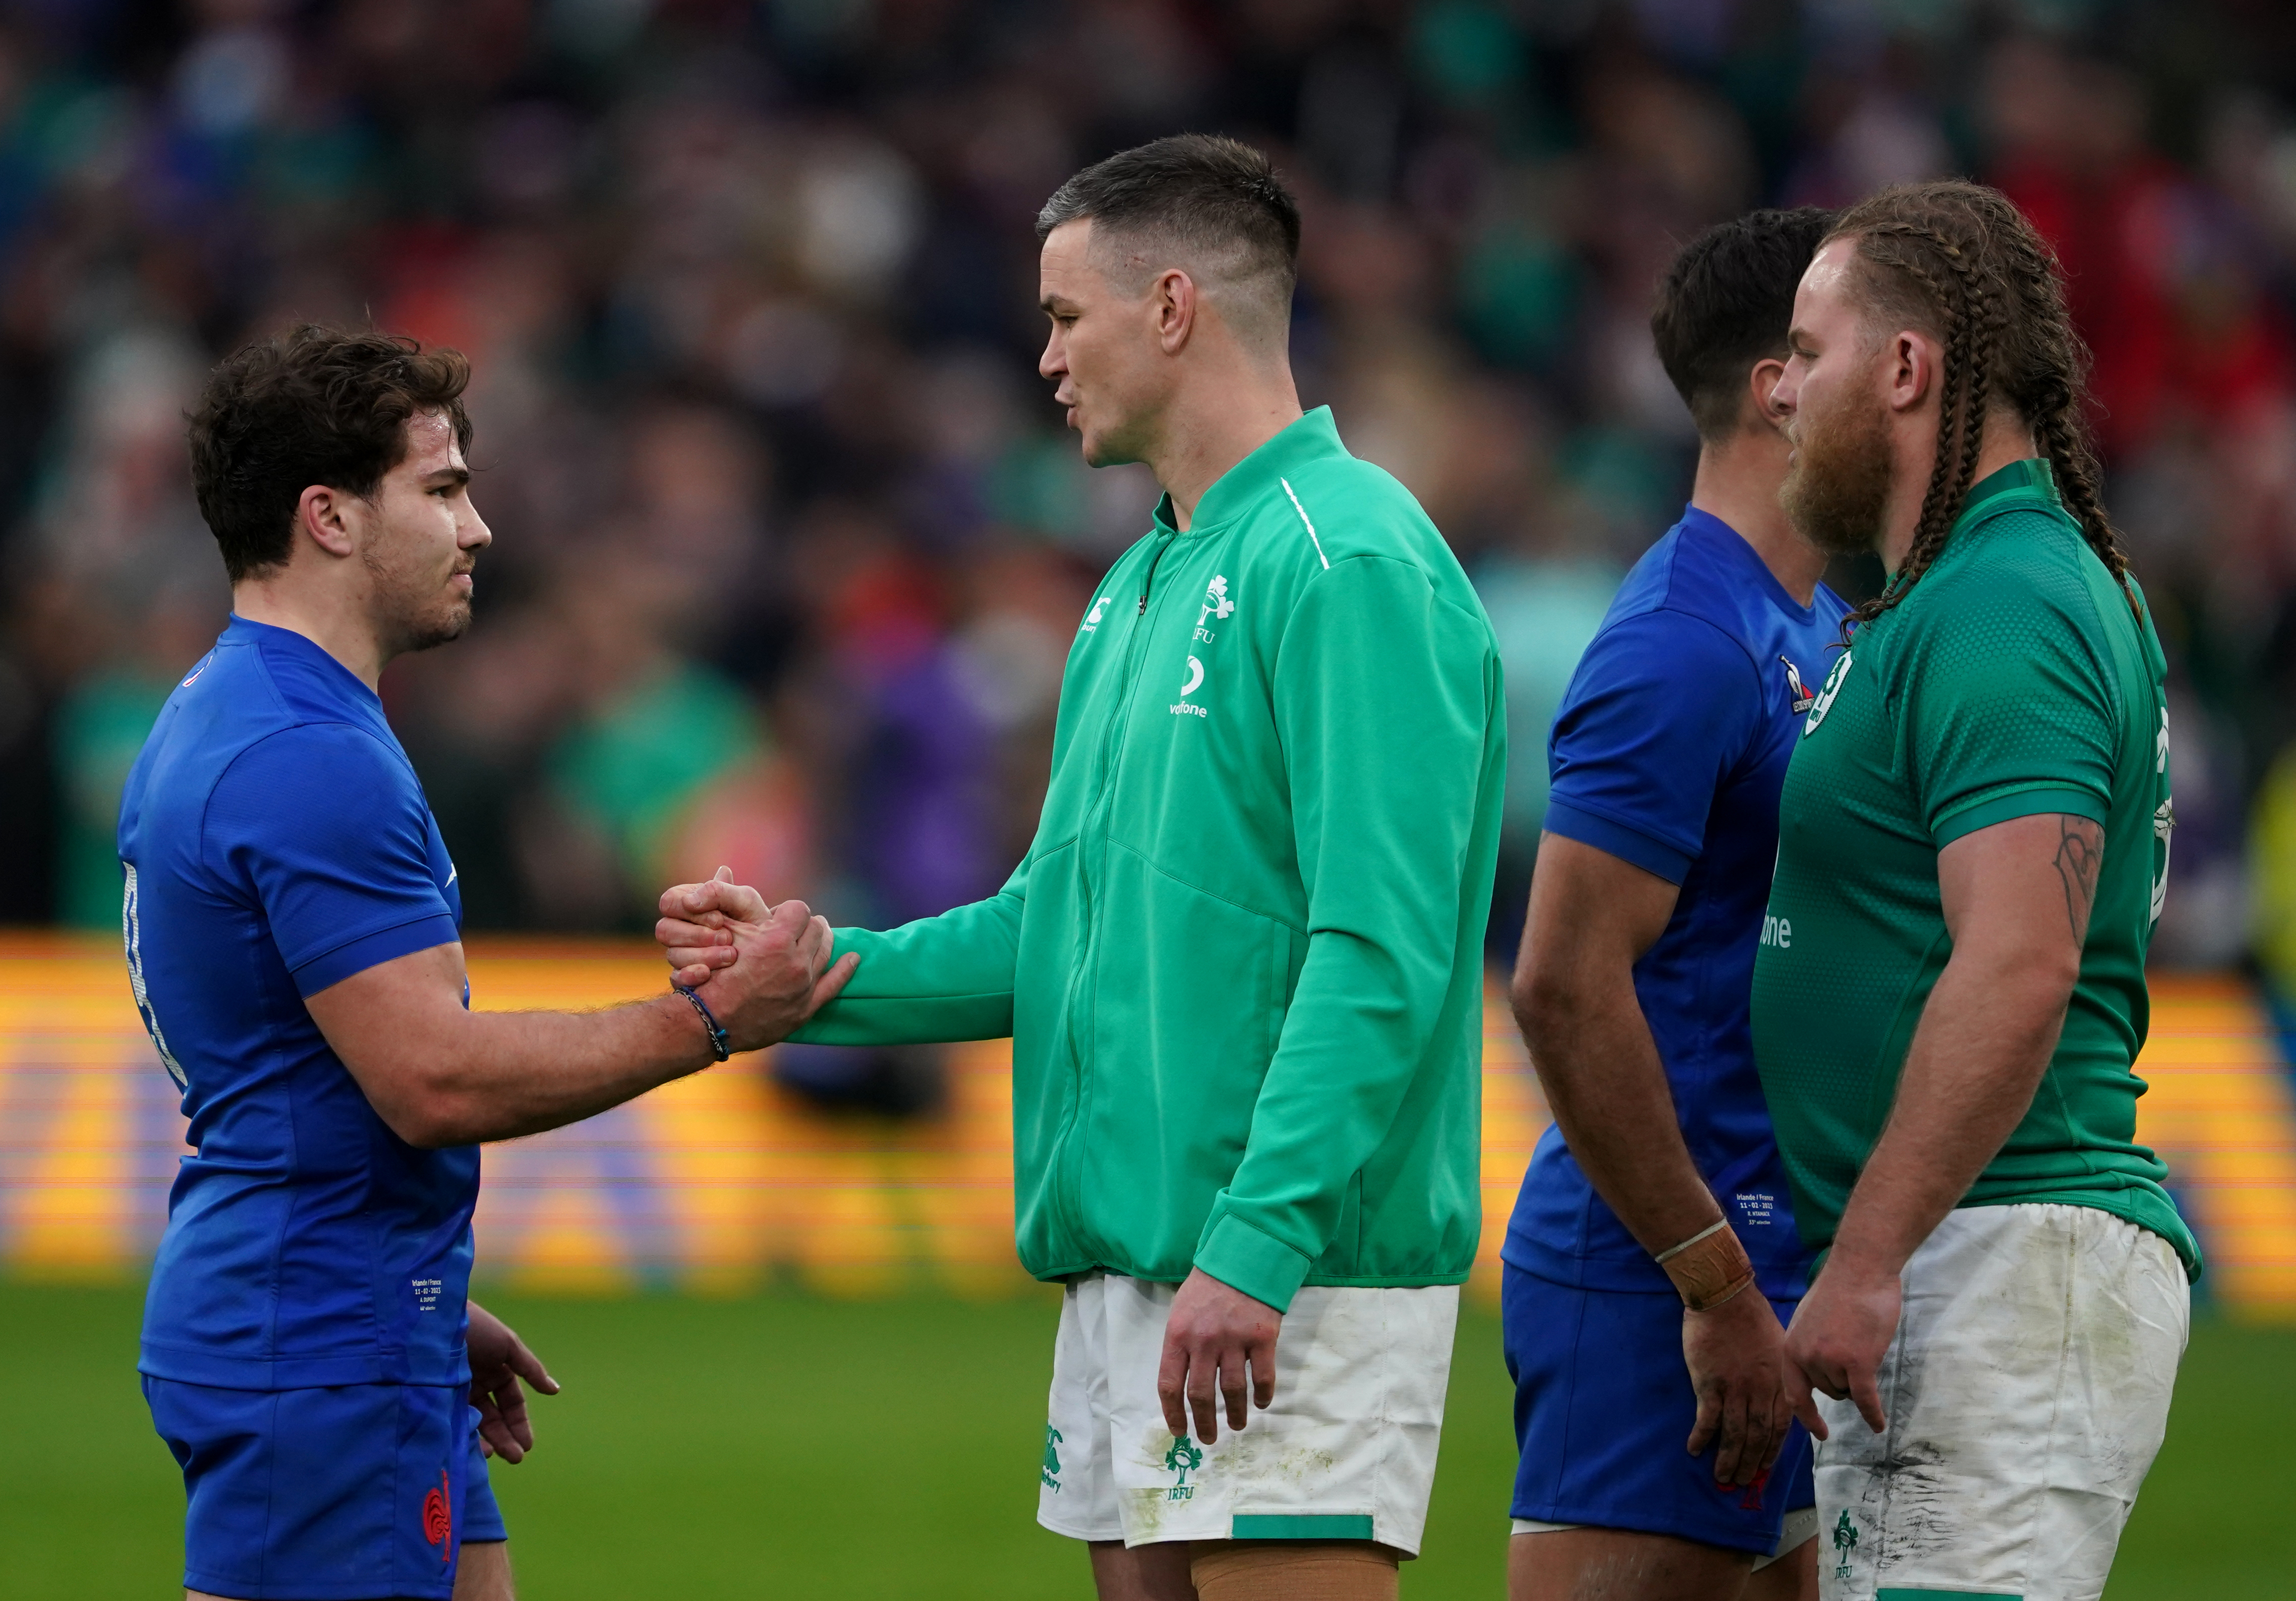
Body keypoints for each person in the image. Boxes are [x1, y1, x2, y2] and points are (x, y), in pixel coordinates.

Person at [659, 135, 1506, 1601]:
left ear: (1171, 305)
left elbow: (1383, 950)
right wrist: (813, 976)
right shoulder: (1138, 581)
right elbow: (1059, 923)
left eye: (1063, 317)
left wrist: (1254, 1245)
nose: (1044, 358)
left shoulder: (1348, 558)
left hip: (1281, 1265)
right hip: (1130, 1267)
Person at [122, 326, 854, 1601]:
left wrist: (418, 1295)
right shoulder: (308, 753)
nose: (482, 530)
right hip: (317, 1342)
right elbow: (433, 1080)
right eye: (445, 489)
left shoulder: (236, 707)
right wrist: (717, 1017)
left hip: (350, 1312)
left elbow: (278, 1058)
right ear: (330, 518)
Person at [1753, 181, 2198, 1600]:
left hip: (1998, 1251)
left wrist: (1869, 1257)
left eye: (1808, 351)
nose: (1778, 391)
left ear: (1903, 368)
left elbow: (2017, 963)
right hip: (1958, 1253)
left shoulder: (2004, 600)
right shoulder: (1956, 591)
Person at [1503, 208, 1841, 1601]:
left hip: (1778, 1273)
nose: (1915, 380)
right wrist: (1710, 1281)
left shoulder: (1810, 619)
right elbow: (1562, 982)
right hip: (1663, 1280)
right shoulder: (1680, 645)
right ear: (1781, 381)